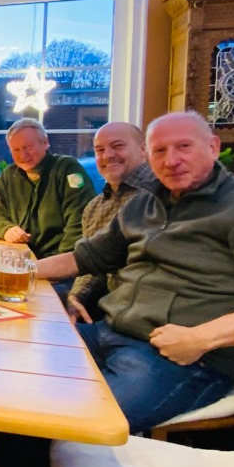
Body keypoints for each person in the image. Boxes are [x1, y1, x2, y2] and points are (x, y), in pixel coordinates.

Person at [0, 112, 234, 434]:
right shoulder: (146, 202)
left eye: (183, 147)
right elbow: (86, 256)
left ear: (213, 147)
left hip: (178, 357)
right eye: (160, 151)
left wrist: (201, 338)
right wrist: (15, 267)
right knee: (3, 375)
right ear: (149, 156)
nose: (171, 160)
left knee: (66, 423)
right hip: (107, 333)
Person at [66, 122, 155, 324]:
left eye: (118, 146)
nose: (107, 155)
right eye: (100, 150)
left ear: (144, 149)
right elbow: (92, 262)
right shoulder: (95, 206)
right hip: (109, 310)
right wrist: (76, 296)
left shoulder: (159, 195)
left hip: (144, 319)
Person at [0, 118, 95, 258]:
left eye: (28, 147)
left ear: (45, 143)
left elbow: (79, 221)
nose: (23, 155)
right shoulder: (9, 175)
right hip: (17, 258)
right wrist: (6, 229)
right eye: (16, 150)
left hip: (57, 260)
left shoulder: (68, 169)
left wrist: (60, 262)